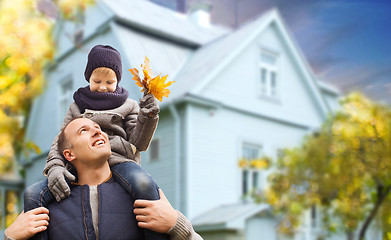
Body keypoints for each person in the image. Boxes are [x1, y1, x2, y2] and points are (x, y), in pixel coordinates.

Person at [23, 45, 165, 239]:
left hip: (120, 160)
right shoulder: (77, 105)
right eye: (96, 80)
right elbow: (62, 140)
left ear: (118, 81)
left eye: (110, 81)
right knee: (32, 194)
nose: (102, 86)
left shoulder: (129, 105)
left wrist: (148, 116)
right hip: (81, 162)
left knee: (144, 182)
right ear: (88, 78)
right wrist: (55, 167)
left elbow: (139, 142)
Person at [6, 118, 201, 240]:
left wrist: (178, 226)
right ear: (69, 154)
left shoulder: (143, 198)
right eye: (84, 130)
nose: (98, 131)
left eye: (98, 127)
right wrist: (10, 238)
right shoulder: (46, 209)